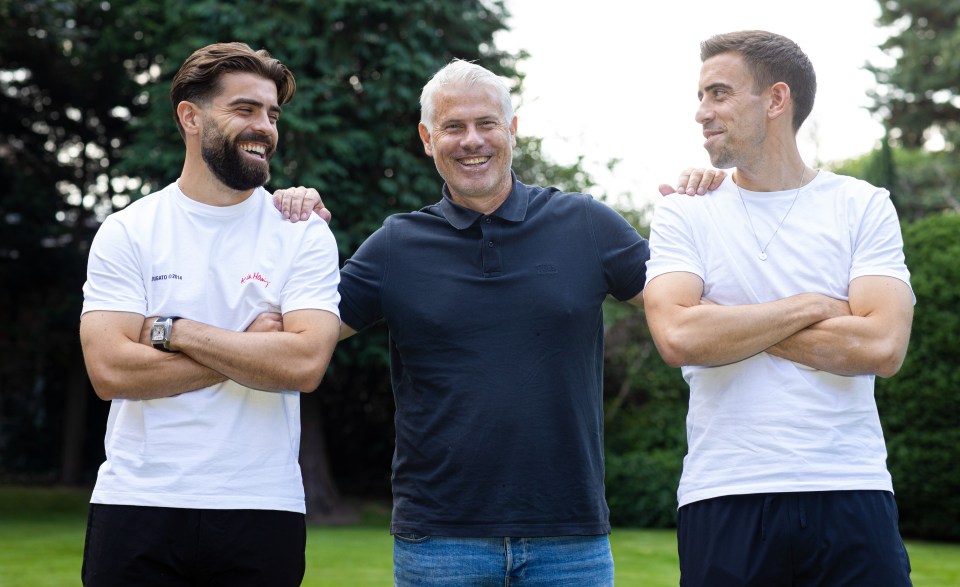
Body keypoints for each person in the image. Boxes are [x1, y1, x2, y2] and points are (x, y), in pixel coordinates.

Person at [272, 60, 720, 586]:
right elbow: (295, 337)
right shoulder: (395, 245)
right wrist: (280, 222)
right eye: (453, 127)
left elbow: (690, 309)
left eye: (486, 123)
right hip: (439, 541)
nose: (471, 141)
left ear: (511, 130)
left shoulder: (587, 224)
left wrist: (718, 204)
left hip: (570, 539)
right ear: (426, 137)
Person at [643, 30, 915, 586]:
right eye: (700, 96)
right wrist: (815, 305)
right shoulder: (684, 212)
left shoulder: (862, 205)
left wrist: (724, 319)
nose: (701, 112)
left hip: (850, 487)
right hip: (725, 491)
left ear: (775, 100)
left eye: (718, 93)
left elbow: (882, 346)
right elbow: (678, 337)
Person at [78, 42, 341, 586]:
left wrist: (173, 331)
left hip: (262, 506)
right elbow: (111, 372)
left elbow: (304, 364)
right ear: (190, 116)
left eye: (271, 114)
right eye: (244, 109)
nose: (264, 126)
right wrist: (247, 347)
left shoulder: (303, 231)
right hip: (137, 502)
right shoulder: (128, 230)